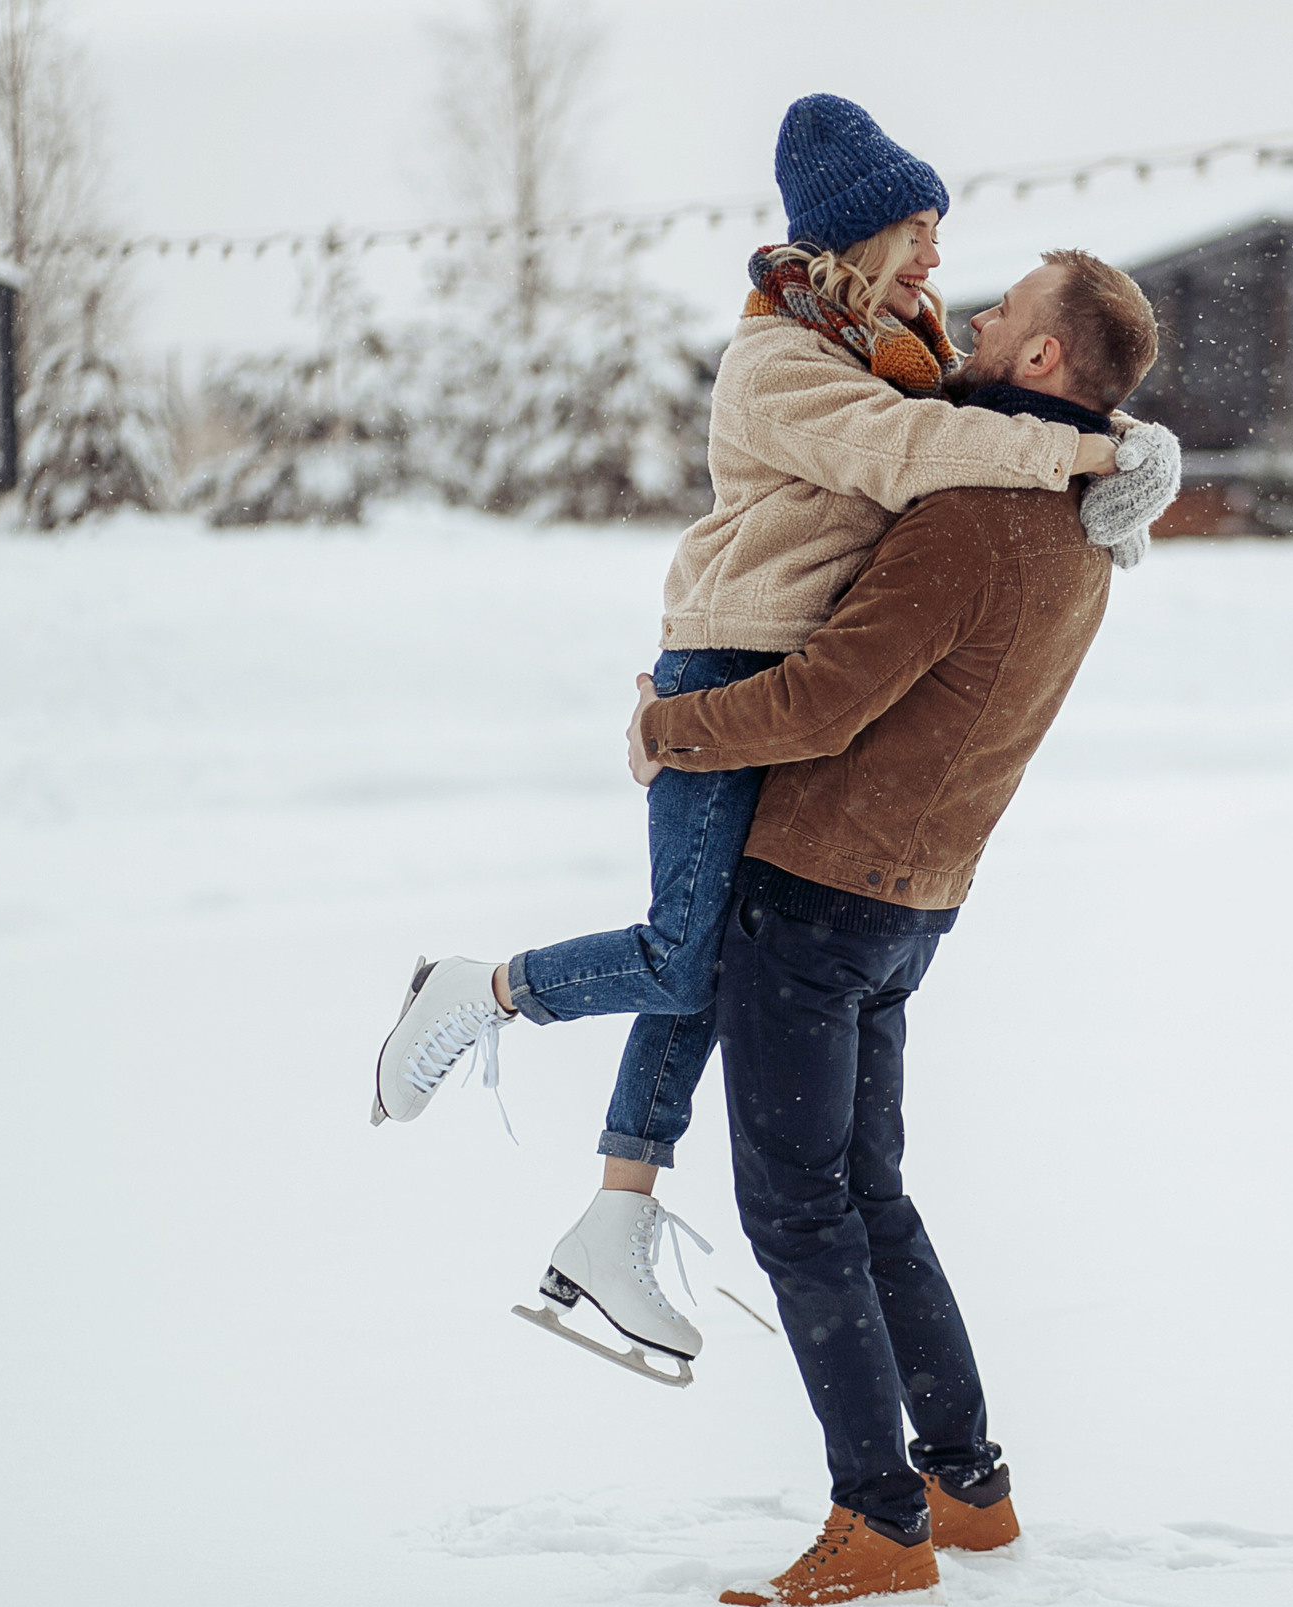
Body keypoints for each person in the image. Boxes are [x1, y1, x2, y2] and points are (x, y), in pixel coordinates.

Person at [365, 95, 1182, 1385]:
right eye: (918, 231)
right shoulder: (782, 363)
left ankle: (616, 1218)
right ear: (858, 236)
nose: (938, 259)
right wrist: (1088, 453)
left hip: (804, 672)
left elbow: (993, 410)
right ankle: (484, 990)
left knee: (716, 956)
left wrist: (1121, 440)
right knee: (683, 955)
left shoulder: (901, 344)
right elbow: (911, 451)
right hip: (733, 663)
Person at [624, 247, 1164, 1607]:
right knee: (869, 1197)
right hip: (912, 900)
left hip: (817, 895)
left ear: (1043, 358)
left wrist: (670, 727)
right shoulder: (1086, 524)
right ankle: (967, 1487)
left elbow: (822, 699)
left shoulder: (978, 515)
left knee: (799, 1212)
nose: (977, 314)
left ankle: (879, 1521)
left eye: (1007, 310)